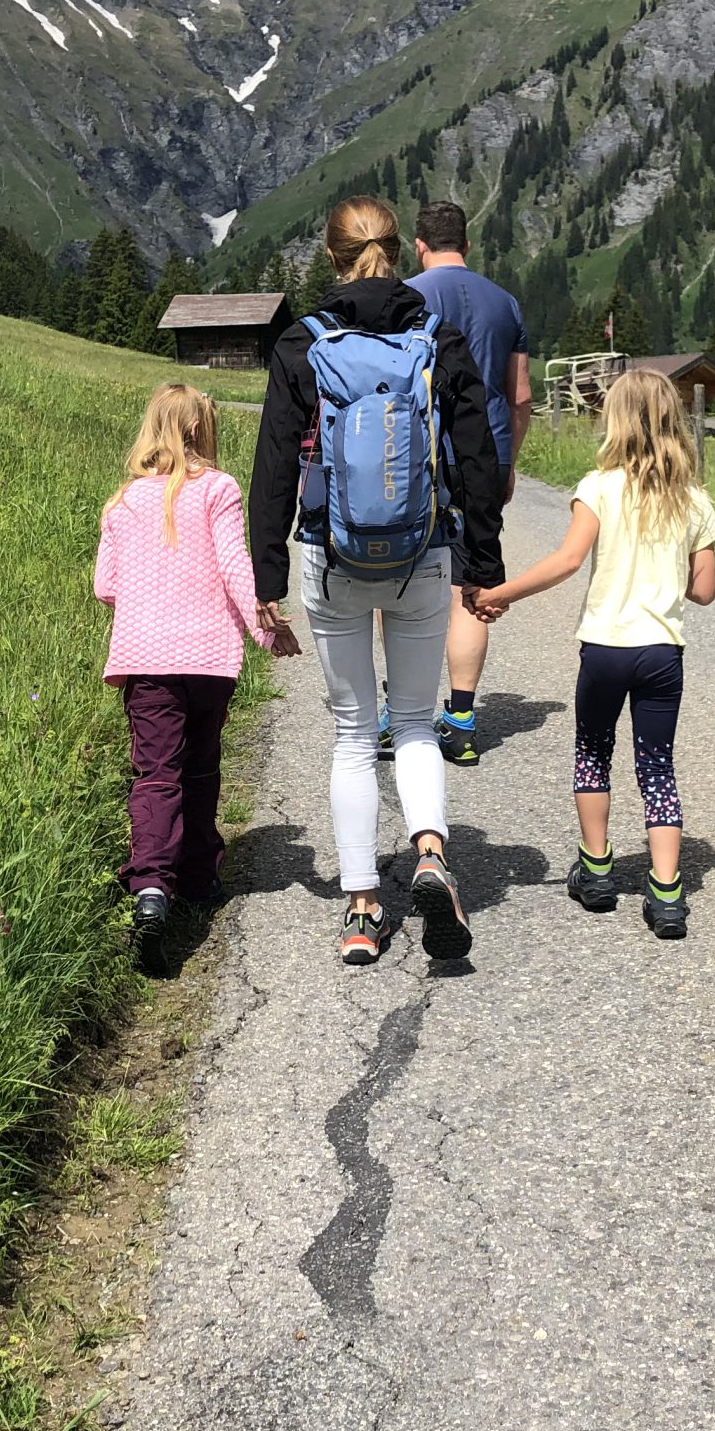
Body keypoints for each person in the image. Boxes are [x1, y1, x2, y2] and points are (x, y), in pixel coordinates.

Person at [249, 197, 506, 966]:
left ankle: (362, 909)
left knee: (355, 734)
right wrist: (481, 566)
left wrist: (267, 573)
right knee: (418, 724)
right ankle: (430, 853)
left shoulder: (304, 342)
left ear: (332, 256)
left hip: (333, 557)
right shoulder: (436, 338)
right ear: (400, 251)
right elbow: (476, 457)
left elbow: (271, 469)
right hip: (422, 555)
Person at [474, 369, 715, 940]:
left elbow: (565, 561)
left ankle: (599, 870)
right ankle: (666, 894)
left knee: (593, 751)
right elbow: (703, 590)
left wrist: (501, 594)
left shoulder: (599, 487)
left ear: (615, 420)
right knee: (657, 766)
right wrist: (666, 569)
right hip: (662, 651)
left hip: (606, 648)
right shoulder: (693, 500)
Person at [95, 384, 293, 953]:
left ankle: (151, 887)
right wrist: (266, 631)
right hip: (208, 660)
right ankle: (201, 876)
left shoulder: (123, 502)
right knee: (201, 767)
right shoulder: (218, 489)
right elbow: (235, 569)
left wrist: (148, 593)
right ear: (201, 430)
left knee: (156, 772)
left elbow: (105, 586)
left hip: (145, 662)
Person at [406, 200, 532, 765]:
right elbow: (521, 395)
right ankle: (460, 719)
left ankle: (396, 713)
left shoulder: (408, 296)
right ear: (468, 245)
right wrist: (507, 462)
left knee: (401, 584)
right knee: (472, 587)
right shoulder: (504, 302)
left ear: (419, 245)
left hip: (417, 458)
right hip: (487, 455)